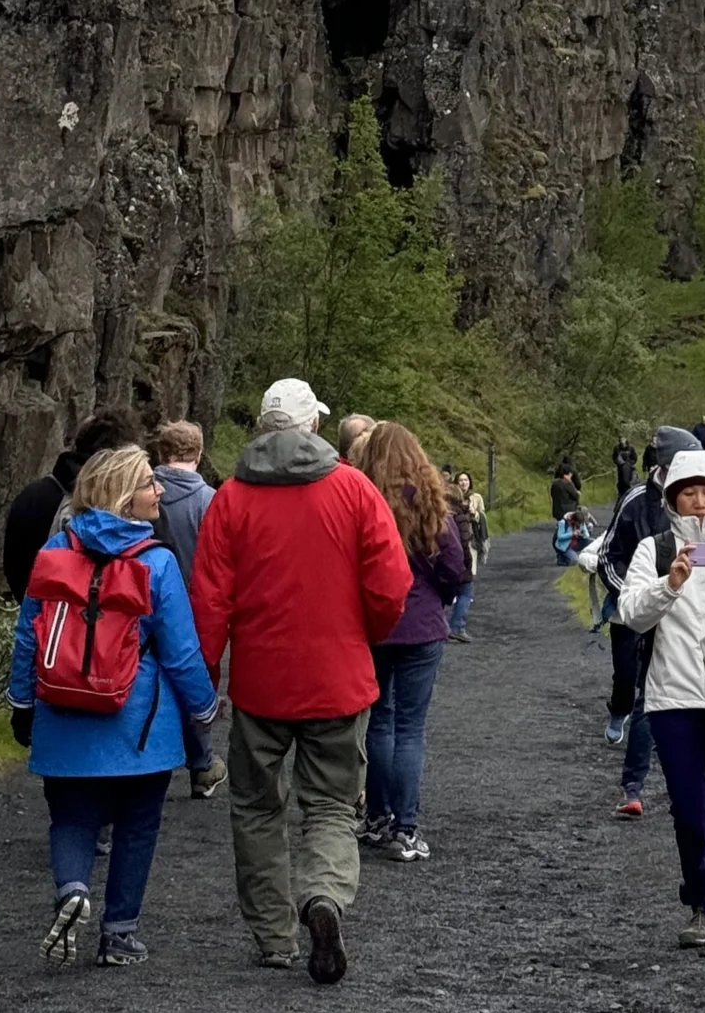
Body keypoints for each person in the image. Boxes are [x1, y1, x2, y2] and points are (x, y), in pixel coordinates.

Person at [191, 378, 412, 982]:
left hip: (262, 684)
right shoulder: (355, 490)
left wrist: (203, 678)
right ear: (313, 425)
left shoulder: (230, 499)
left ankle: (273, 937)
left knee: (257, 808)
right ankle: (324, 898)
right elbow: (391, 585)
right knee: (333, 805)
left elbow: (210, 600)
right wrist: (363, 635)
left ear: (263, 427)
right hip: (339, 680)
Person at [7, 445, 219, 966]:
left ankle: (73, 888)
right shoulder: (158, 563)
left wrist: (21, 701)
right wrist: (204, 707)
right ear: (126, 496)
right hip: (140, 725)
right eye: (149, 483)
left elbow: (28, 638)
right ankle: (119, 933)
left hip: (63, 714)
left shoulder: (56, 550)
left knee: (71, 819)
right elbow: (181, 649)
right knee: (137, 825)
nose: (160, 491)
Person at [620, 446, 705, 955]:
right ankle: (699, 905)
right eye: (690, 493)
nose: (700, 503)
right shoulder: (654, 550)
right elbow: (631, 613)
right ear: (674, 499)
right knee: (690, 810)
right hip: (673, 696)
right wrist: (669, 584)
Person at [349, 423, 467, 859]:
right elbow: (455, 565)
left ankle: (377, 816)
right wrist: (441, 595)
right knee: (410, 728)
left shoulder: (360, 499)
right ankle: (407, 826)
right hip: (420, 624)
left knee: (379, 720)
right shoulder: (429, 501)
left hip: (374, 624)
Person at [599, 429, 694, 810]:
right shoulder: (636, 500)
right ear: (662, 466)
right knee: (627, 681)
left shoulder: (702, 501)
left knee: (650, 693)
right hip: (632, 610)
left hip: (679, 616)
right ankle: (616, 712)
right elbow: (609, 553)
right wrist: (633, 596)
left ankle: (638, 786)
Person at [149, 420, 227, 799]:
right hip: (194, 603)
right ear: (197, 454)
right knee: (192, 678)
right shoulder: (210, 500)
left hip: (143, 600)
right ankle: (201, 764)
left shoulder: (144, 492)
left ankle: (151, 761)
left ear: (161, 454)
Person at [2, 410, 135, 600]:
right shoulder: (108, 506)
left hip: (34, 609)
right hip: (80, 616)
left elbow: (12, 563)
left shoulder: (32, 495)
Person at [448, 470, 488, 642]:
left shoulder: (476, 498)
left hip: (471, 543)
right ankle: (456, 626)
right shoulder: (457, 511)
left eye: (466, 480)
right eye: (461, 480)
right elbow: (463, 537)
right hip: (464, 546)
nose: (464, 483)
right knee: (465, 586)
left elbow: (482, 519)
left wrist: (475, 514)